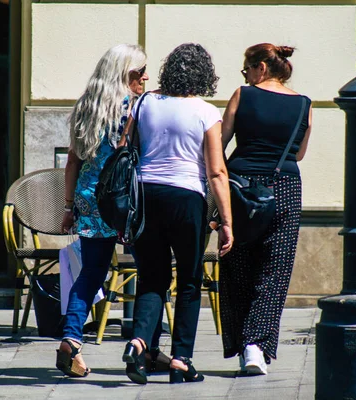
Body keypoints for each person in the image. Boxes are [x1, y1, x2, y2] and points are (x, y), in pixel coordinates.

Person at [121, 43, 233, 385]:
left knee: (152, 278)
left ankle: (139, 344)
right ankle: (181, 359)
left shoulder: (144, 103)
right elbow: (216, 172)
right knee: (187, 282)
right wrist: (227, 221)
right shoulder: (206, 112)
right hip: (188, 199)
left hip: (146, 197)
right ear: (204, 75)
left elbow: (127, 149)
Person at [56, 44, 171, 378]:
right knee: (153, 270)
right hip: (128, 200)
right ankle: (146, 346)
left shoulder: (85, 106)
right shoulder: (136, 107)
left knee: (91, 273)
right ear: (124, 73)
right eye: (139, 72)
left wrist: (68, 207)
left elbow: (72, 162)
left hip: (91, 198)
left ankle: (71, 340)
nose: (145, 77)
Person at [218, 43, 312, 376]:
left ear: (260, 67)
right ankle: (255, 346)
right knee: (275, 269)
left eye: (246, 69)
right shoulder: (304, 105)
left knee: (238, 264)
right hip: (284, 186)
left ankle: (246, 344)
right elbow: (298, 154)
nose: (244, 76)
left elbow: (222, 141)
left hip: (240, 185)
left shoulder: (243, 95)